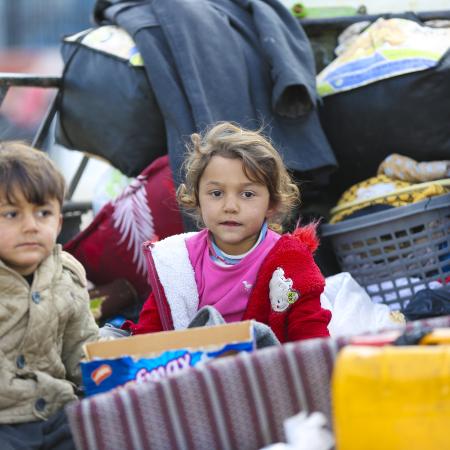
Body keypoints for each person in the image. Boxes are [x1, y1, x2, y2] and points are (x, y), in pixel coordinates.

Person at [123, 122, 331, 342]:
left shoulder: (290, 260)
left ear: (271, 203)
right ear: (197, 198)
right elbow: (147, 338)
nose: (230, 206)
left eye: (248, 194)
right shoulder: (177, 262)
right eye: (216, 193)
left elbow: (312, 340)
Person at [0, 142, 99, 449]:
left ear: (58, 221)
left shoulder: (65, 276)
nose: (30, 226)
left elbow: (81, 348)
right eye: (11, 214)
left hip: (57, 412)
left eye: (43, 212)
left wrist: (112, 374)